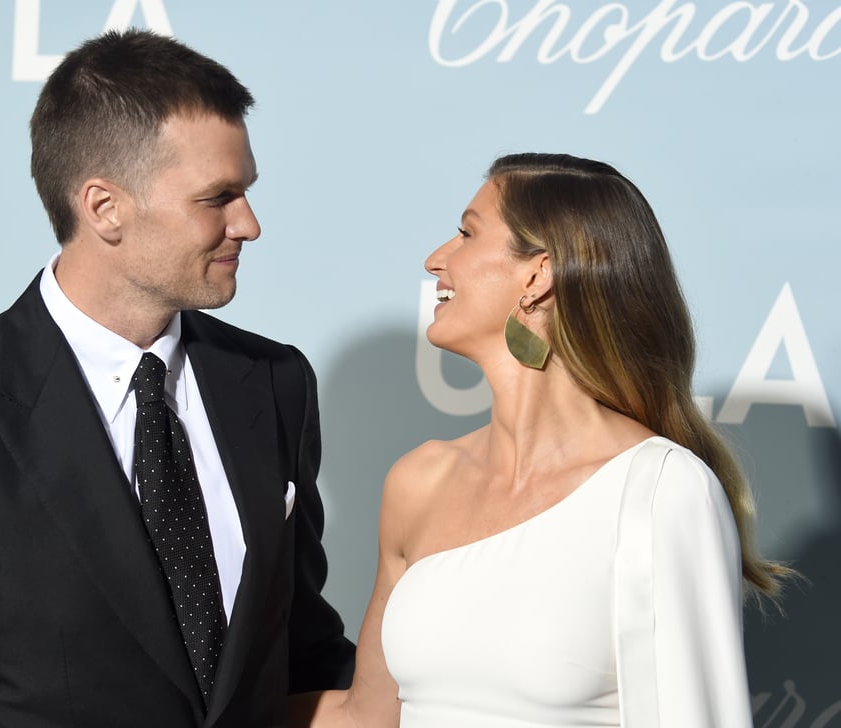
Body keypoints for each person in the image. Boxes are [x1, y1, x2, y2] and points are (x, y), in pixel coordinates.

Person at [0, 29, 354, 727]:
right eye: (217, 198)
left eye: (246, 192)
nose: (248, 224)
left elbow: (301, 653)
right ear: (104, 207)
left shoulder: (274, 381)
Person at [290, 153, 792, 727]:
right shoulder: (419, 481)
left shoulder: (660, 490)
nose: (436, 260)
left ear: (539, 274)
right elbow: (367, 718)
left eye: (466, 233)